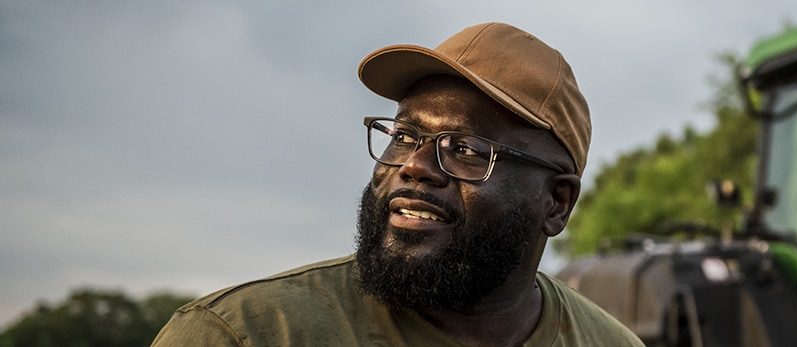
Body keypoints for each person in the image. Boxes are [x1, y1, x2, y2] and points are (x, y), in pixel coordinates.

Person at [152, 22, 644, 346]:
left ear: (556, 203)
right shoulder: (241, 336)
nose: (414, 165)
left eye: (468, 149)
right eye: (405, 135)